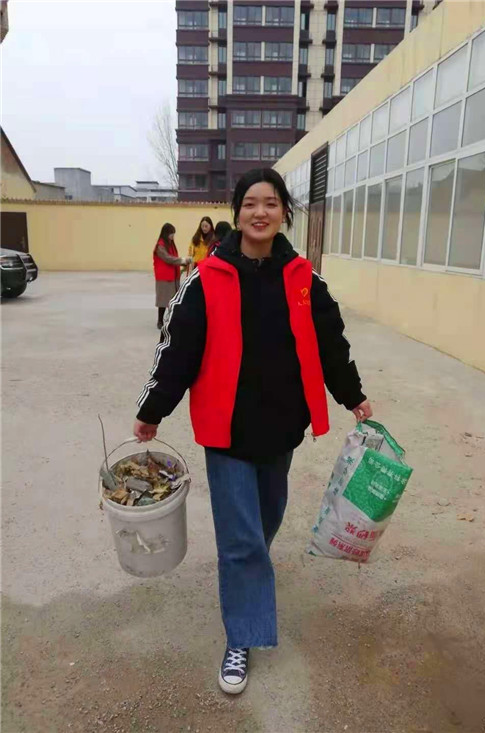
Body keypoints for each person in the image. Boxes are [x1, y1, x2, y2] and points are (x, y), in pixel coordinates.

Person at [134, 168, 372, 694]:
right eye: (249, 203)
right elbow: (177, 350)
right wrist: (153, 409)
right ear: (237, 213)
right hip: (226, 430)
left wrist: (353, 395)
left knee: (265, 519)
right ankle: (241, 635)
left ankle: (245, 574)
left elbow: (332, 344)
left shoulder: (305, 279)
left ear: (284, 212)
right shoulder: (207, 278)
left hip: (282, 427)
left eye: (270, 203)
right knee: (242, 540)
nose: (259, 212)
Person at [153, 223, 191, 330]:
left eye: (173, 234)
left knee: (173, 300)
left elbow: (173, 258)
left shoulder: (170, 244)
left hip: (173, 276)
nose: (172, 236)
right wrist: (182, 260)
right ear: (165, 233)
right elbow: (168, 258)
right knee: (163, 300)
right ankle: (160, 320)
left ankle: (171, 319)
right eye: (171, 233)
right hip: (164, 277)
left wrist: (182, 264)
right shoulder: (160, 246)